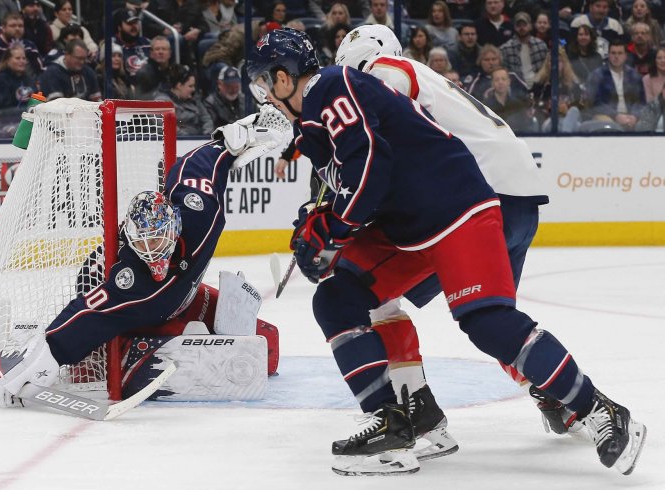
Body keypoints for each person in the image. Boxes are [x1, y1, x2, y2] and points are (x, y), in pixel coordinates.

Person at [248, 27, 646, 476]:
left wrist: (335, 227)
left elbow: (369, 160)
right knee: (338, 297)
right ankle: (393, 425)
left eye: (264, 81)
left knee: (489, 322)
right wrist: (319, 222)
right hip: (411, 226)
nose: (262, 93)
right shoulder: (316, 120)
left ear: (284, 79)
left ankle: (599, 409)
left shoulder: (337, 83)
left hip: (457, 209)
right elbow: (350, 172)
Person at [0, 105, 293, 407]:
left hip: (182, 296)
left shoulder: (198, 215)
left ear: (176, 228)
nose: (152, 252)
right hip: (139, 311)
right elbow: (90, 310)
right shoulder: (131, 279)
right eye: (144, 244)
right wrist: (51, 352)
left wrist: (230, 141)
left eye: (159, 241)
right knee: (134, 356)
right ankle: (101, 356)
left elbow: (193, 168)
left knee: (266, 342)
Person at [331, 22, 551, 460]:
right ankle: (556, 395)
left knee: (372, 297)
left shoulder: (383, 70)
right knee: (494, 316)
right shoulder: (428, 79)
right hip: (520, 197)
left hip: (474, 200)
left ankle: (419, 414)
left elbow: (382, 150)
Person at [586, 39, 646, 130]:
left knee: (645, 125)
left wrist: (634, 116)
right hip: (606, 115)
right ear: (608, 55)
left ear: (625, 55)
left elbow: (641, 102)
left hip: (630, 116)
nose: (616, 56)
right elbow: (595, 103)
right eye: (613, 53)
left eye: (620, 53)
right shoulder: (597, 75)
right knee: (611, 126)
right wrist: (616, 116)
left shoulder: (634, 75)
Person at [532, 46, 586, 132]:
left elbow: (581, 106)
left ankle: (565, 133)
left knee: (574, 112)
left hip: (569, 120)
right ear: (547, 64)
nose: (555, 64)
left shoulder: (573, 85)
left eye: (559, 61)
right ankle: (565, 135)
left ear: (564, 64)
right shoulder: (540, 85)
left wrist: (567, 108)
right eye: (551, 61)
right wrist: (551, 108)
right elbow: (534, 107)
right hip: (549, 121)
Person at [154, 65, 214, 136]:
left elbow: (206, 118)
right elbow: (165, 125)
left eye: (194, 86)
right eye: (190, 86)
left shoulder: (195, 99)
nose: (193, 89)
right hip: (179, 142)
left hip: (200, 140)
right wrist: (188, 138)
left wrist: (207, 135)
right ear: (179, 86)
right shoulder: (162, 102)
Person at [499, 11, 549, 89]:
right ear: (514, 27)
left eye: (524, 25)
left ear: (531, 26)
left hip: (539, 86)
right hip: (516, 88)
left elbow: (547, 69)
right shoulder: (505, 49)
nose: (522, 28)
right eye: (518, 25)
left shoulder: (541, 45)